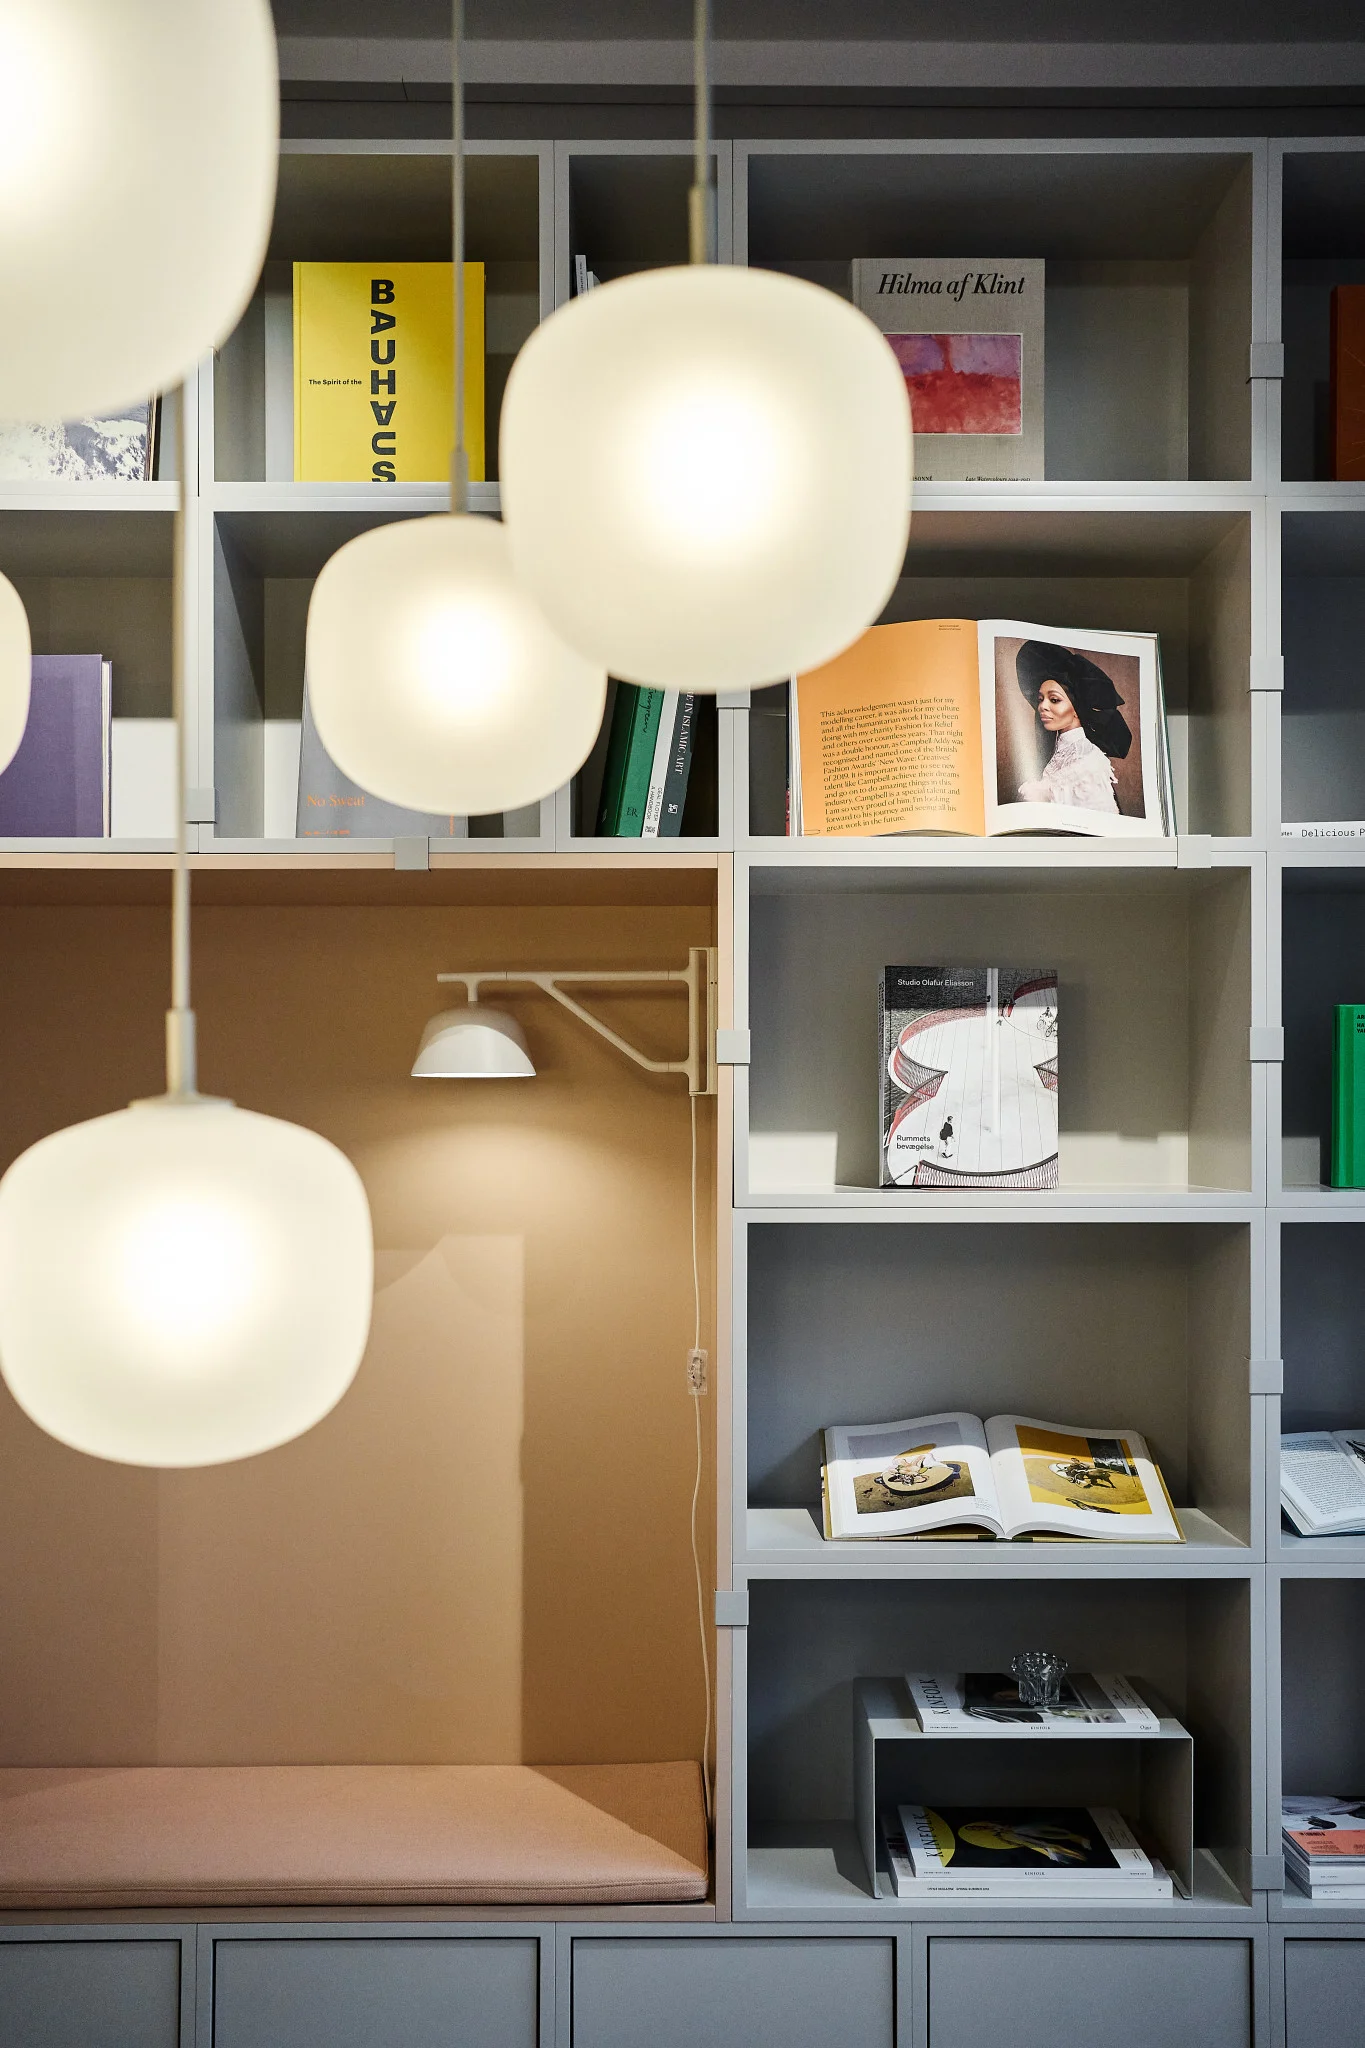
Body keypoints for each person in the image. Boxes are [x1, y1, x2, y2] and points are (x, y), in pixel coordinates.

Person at [1013, 641, 1134, 815]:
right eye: (1041, 699)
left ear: (1077, 710)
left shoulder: (1088, 763)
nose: (1042, 707)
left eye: (1054, 699)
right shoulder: (1057, 753)